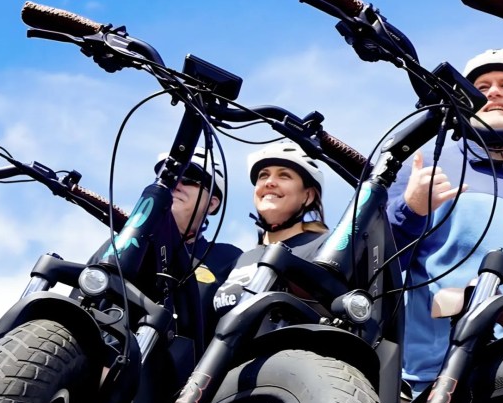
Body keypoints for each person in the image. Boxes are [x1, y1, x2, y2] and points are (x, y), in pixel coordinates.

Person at [386, 49, 503, 394]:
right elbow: (377, 264)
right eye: (482, 86)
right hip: (442, 376)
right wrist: (411, 208)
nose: (494, 92)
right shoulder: (429, 162)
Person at [88, 147, 242, 346]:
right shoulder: (120, 243)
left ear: (212, 204)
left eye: (190, 179)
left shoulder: (228, 258)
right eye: (169, 176)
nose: (176, 184)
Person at [211, 140, 329, 316]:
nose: (270, 182)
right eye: (263, 175)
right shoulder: (242, 259)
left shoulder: (324, 247)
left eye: (284, 176)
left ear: (308, 195)